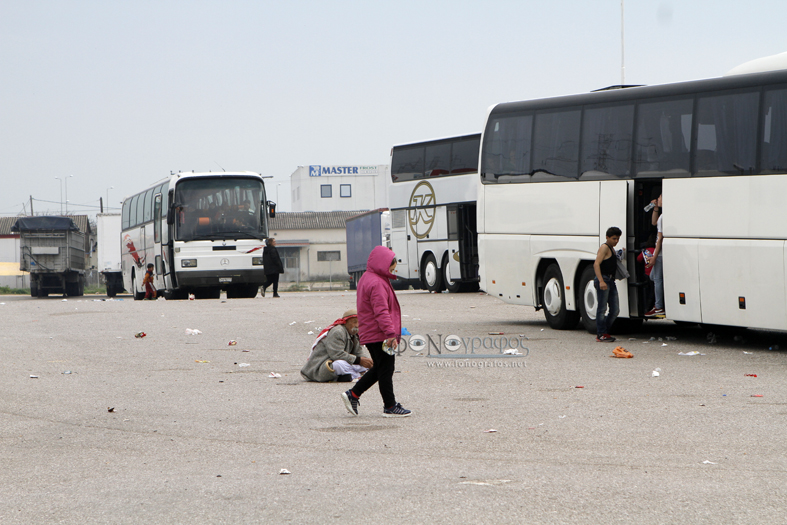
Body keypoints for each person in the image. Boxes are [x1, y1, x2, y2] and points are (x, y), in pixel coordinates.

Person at [341, 246, 411, 417]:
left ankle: (353, 394)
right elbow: (381, 311)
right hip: (379, 334)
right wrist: (390, 334)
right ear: (383, 263)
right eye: (391, 265)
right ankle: (390, 406)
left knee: (381, 368)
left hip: (373, 333)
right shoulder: (377, 283)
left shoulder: (369, 277)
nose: (393, 269)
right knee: (386, 369)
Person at [300, 309, 373, 382]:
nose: (357, 325)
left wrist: (368, 361)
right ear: (345, 322)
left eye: (359, 322)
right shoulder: (338, 332)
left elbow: (358, 353)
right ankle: (357, 376)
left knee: (366, 364)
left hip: (345, 361)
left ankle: (349, 376)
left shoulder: (355, 334)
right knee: (340, 364)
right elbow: (337, 355)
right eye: (354, 322)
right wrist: (359, 360)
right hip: (322, 366)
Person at [593, 226, 623, 342]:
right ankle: (601, 333)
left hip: (611, 280)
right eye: (614, 239)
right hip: (604, 279)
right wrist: (601, 281)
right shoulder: (604, 248)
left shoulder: (611, 248)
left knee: (615, 309)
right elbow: (596, 264)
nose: (616, 241)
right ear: (607, 237)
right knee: (602, 308)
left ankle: (604, 331)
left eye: (618, 239)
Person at [645, 194, 665, 317]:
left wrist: (654, 256)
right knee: (653, 277)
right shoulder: (662, 216)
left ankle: (658, 307)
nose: (658, 199)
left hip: (660, 254)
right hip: (660, 253)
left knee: (657, 279)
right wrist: (655, 208)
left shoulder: (663, 217)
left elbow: (660, 238)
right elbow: (653, 222)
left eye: (660, 197)